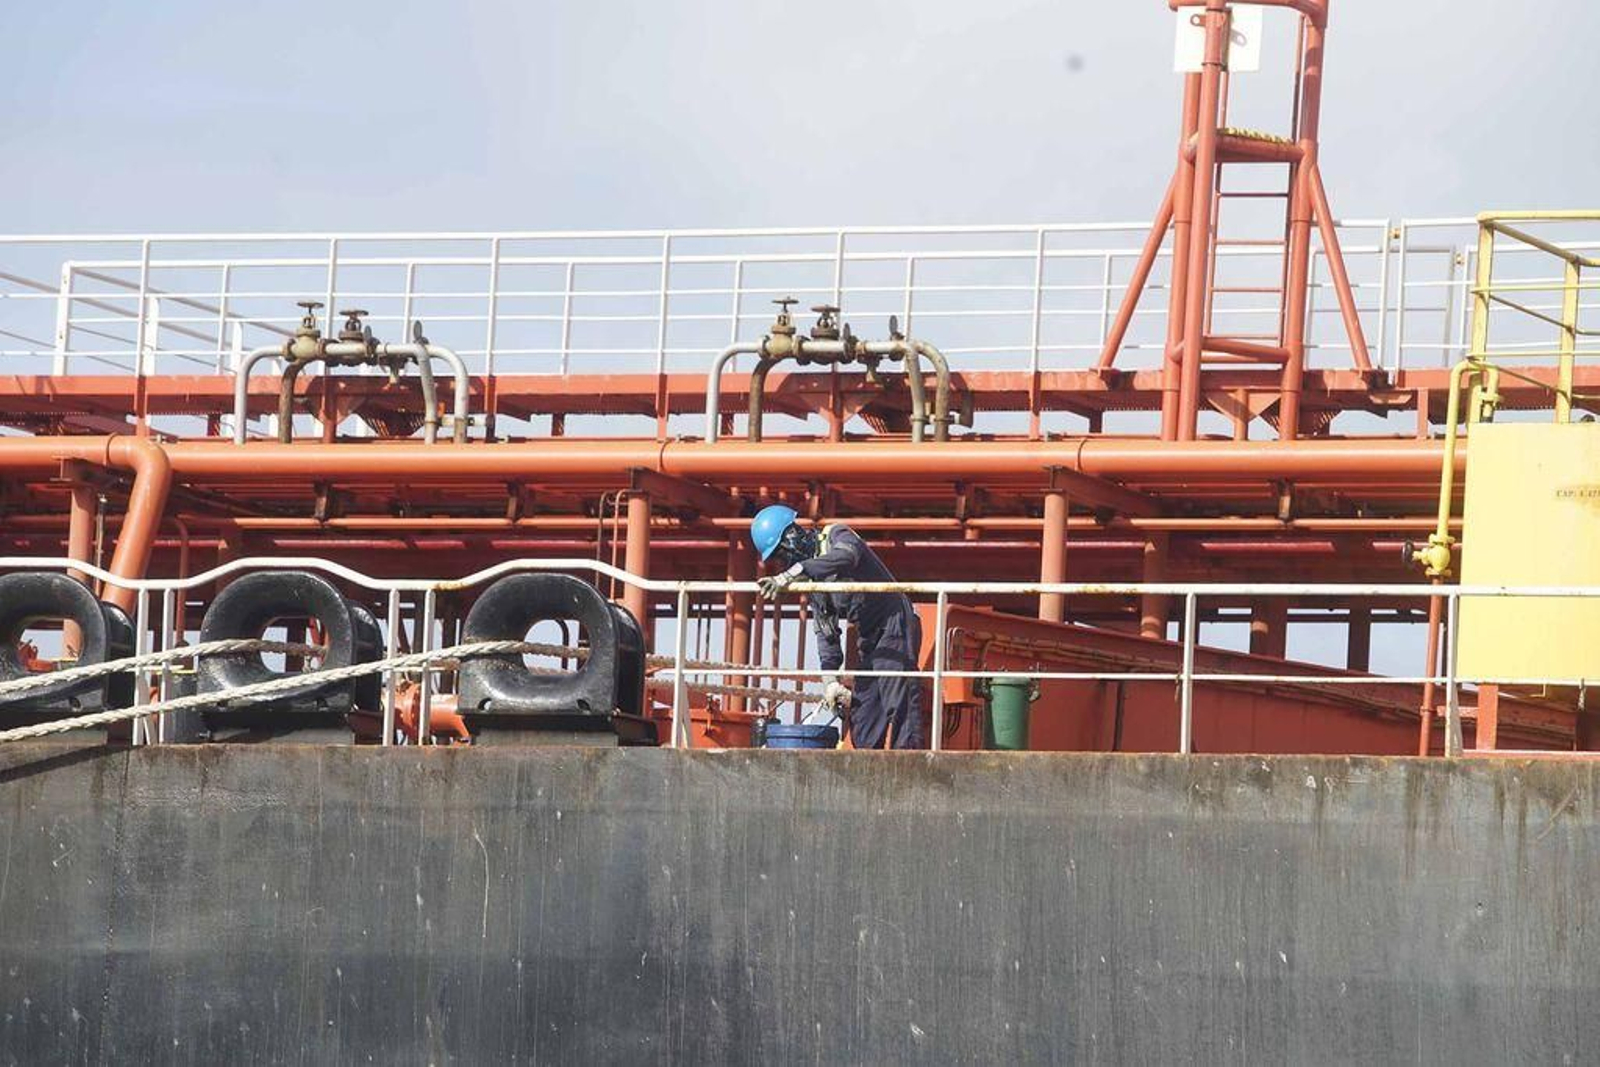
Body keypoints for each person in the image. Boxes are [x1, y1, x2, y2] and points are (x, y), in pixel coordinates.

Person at [749, 504, 925, 749]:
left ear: (793, 535)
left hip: (895, 623)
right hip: (868, 636)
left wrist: (794, 573)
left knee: (898, 696)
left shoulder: (836, 535)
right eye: (780, 557)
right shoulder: (815, 585)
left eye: (782, 552)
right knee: (864, 714)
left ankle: (910, 767)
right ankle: (866, 772)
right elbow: (826, 632)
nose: (785, 559)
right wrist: (830, 680)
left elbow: (847, 556)